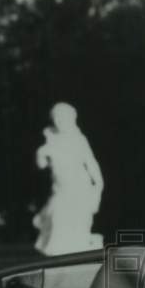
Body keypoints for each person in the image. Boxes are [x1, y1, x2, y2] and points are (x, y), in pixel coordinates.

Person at [33, 102, 104, 255]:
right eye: (57, 118)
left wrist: (98, 183)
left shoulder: (78, 139)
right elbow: (41, 164)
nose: (60, 122)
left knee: (77, 227)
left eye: (64, 118)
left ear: (71, 120)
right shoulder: (51, 140)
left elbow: (90, 163)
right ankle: (59, 260)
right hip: (61, 190)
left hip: (79, 188)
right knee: (57, 224)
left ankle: (76, 259)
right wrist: (41, 153)